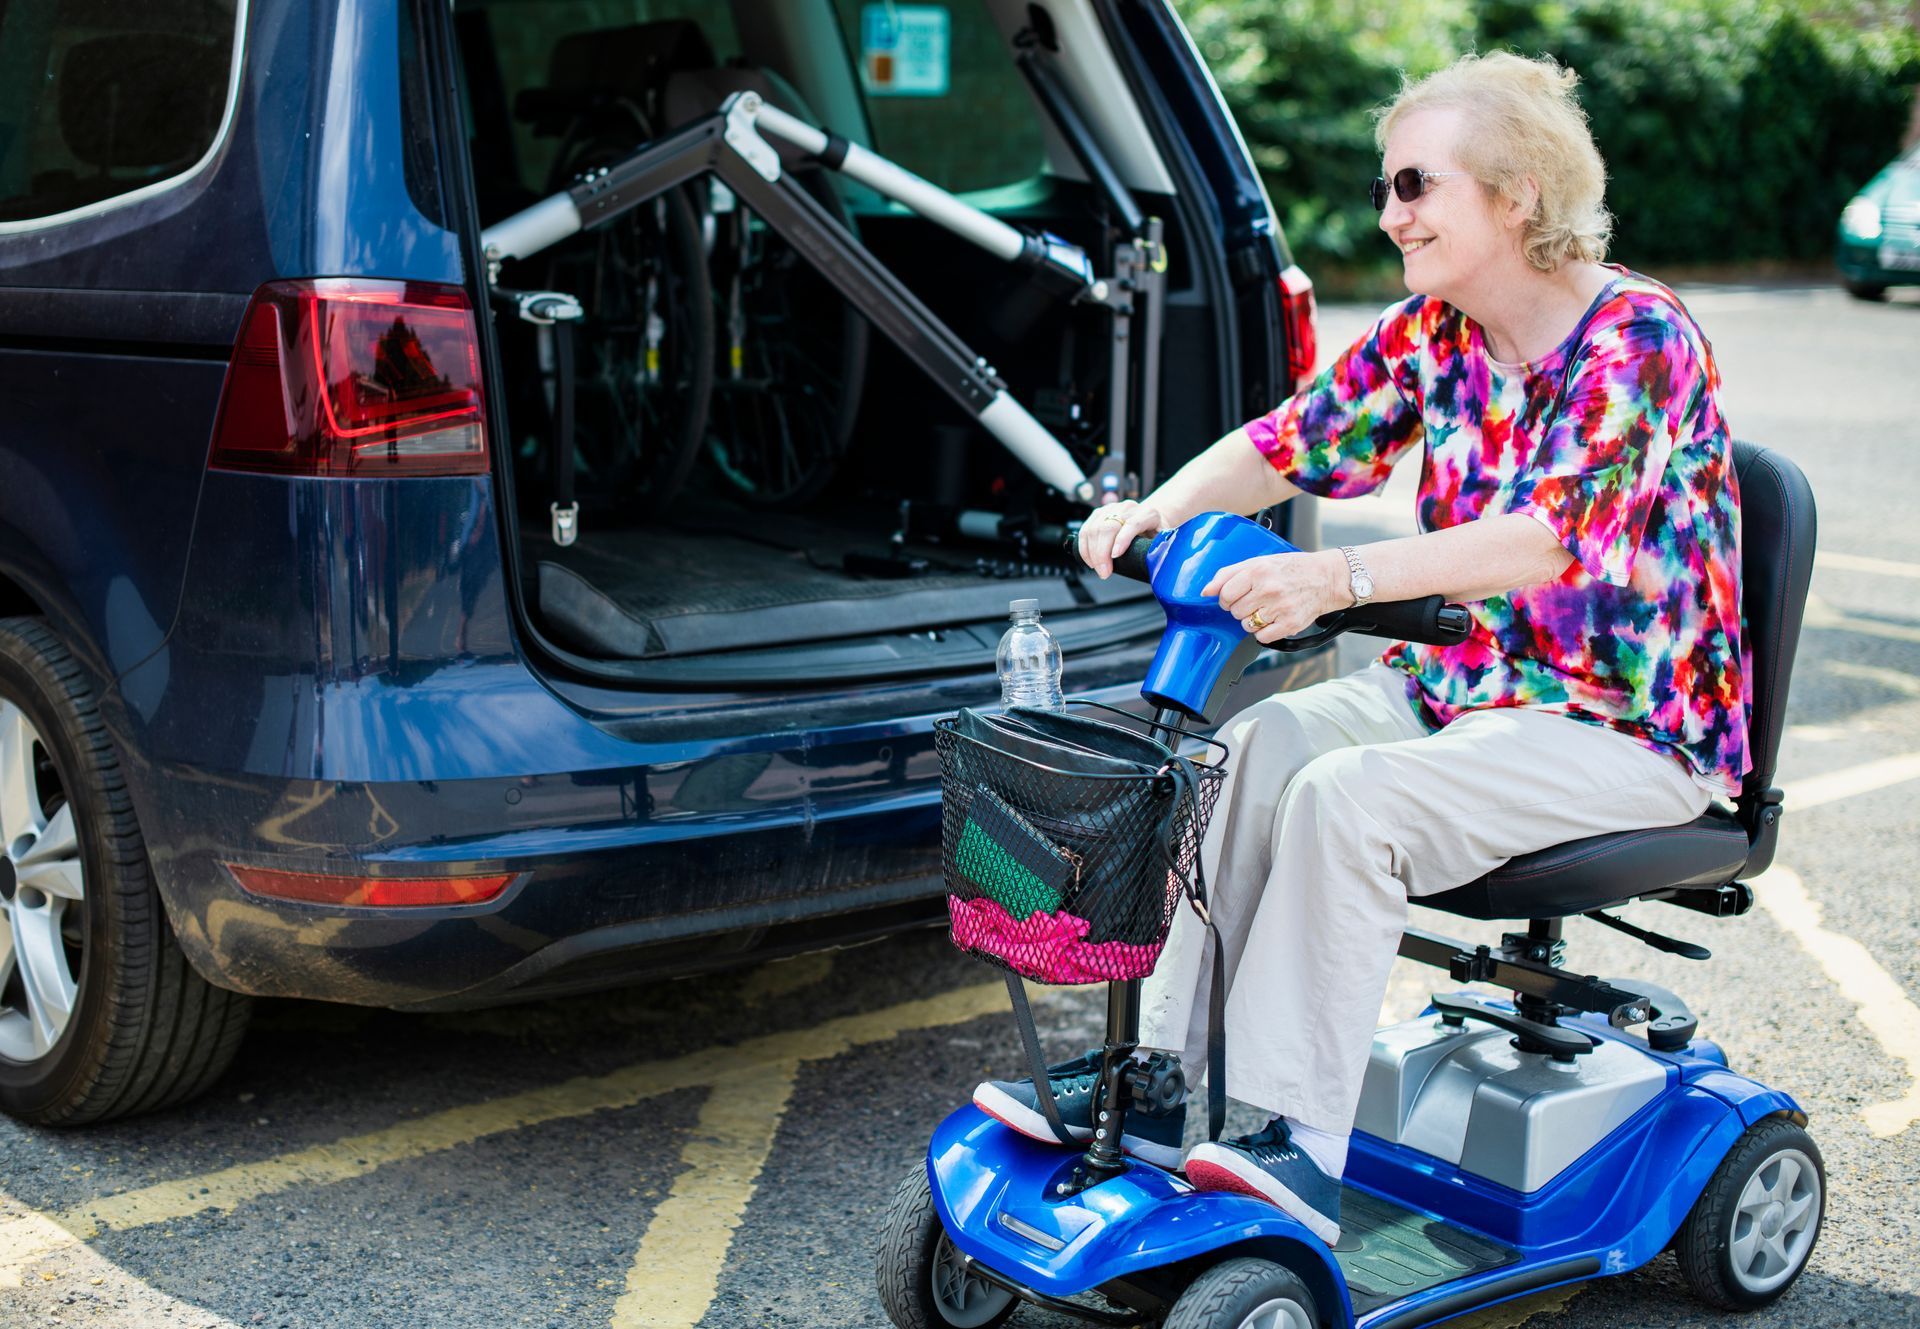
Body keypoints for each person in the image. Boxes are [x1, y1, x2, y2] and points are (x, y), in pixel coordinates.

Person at [969, 50, 1746, 1246]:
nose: (1391, 215)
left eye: (1415, 186)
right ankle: (1163, 1084)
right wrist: (1156, 511)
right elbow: (1286, 444)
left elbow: (1548, 541)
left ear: (1517, 193)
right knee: (1254, 746)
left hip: (1622, 728)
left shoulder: (1638, 338)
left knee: (1346, 800)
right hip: (1461, 693)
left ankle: (1290, 1138)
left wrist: (1337, 577)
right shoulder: (1434, 330)